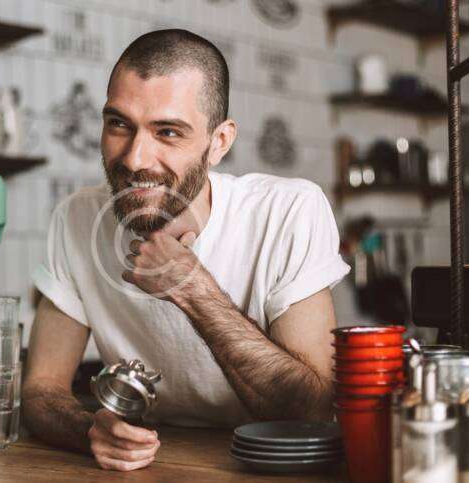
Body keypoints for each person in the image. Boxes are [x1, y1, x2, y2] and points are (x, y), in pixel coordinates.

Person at [22, 29, 350, 472]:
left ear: (219, 142)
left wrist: (193, 289)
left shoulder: (289, 210)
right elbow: (40, 391)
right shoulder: (76, 217)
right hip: (151, 466)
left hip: (265, 469)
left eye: (168, 132)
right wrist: (89, 431)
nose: (135, 158)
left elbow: (313, 410)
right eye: (119, 124)